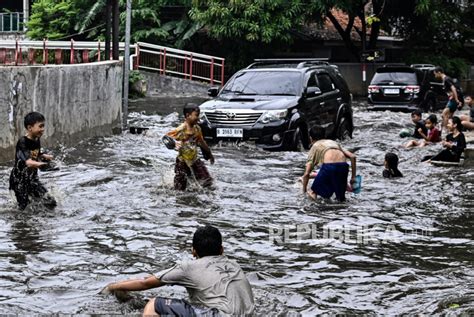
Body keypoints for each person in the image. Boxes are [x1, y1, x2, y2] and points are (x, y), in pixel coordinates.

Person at [102, 225, 255, 316]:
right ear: (221, 250)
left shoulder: (189, 267)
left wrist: (113, 287)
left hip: (217, 315)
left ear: (193, 251)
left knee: (154, 304)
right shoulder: (235, 265)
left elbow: (144, 283)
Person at [9, 112, 57, 210]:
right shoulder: (22, 142)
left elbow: (35, 154)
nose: (43, 129)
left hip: (32, 179)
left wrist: (46, 157)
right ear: (30, 128)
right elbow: (28, 162)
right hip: (19, 180)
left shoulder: (36, 139)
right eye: (40, 126)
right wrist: (41, 165)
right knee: (24, 208)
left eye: (43, 126)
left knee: (50, 202)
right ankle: (21, 223)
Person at [166, 103, 215, 190]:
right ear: (188, 115)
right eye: (196, 115)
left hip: (195, 160)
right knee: (179, 189)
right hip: (182, 162)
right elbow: (166, 137)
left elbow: (202, 142)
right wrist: (174, 143)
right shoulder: (181, 129)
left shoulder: (197, 129)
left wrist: (210, 154)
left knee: (207, 181)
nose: (198, 118)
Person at [302, 127, 356, 202]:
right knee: (341, 199)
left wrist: (304, 191)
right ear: (324, 136)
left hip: (329, 167)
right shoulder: (333, 143)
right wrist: (353, 177)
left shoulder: (315, 146)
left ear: (310, 139)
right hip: (343, 166)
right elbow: (352, 157)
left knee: (313, 192)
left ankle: (315, 211)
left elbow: (306, 173)